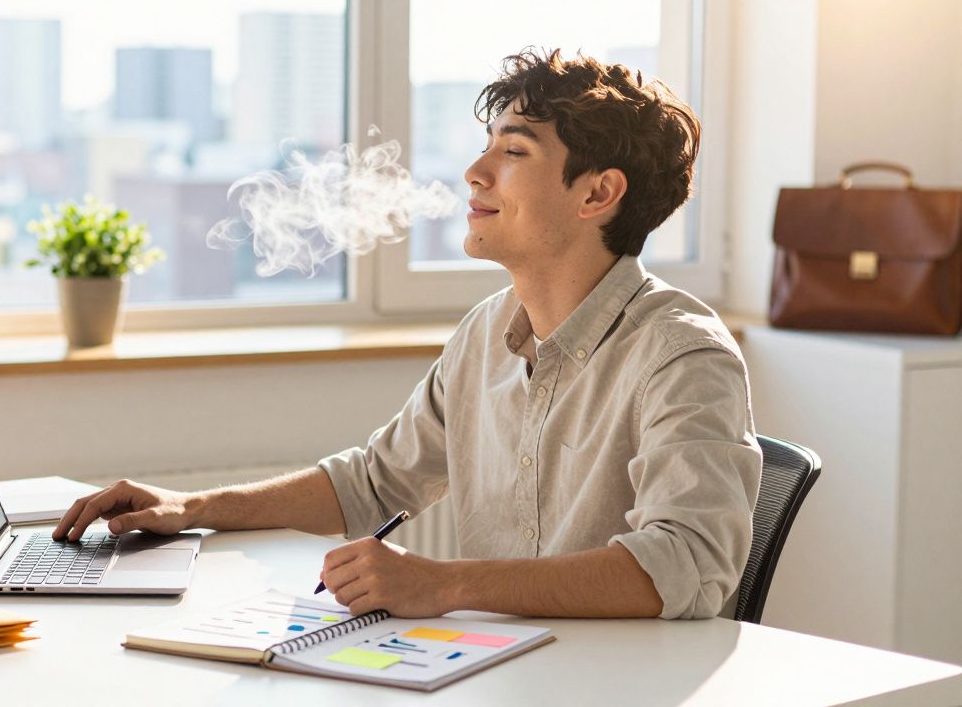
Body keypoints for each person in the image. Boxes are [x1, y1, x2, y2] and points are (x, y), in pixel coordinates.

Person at [53, 48, 761, 621]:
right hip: (505, 671)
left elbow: (686, 565)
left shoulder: (682, 354)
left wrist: (446, 585)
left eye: (513, 152)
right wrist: (189, 509)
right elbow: (372, 482)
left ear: (597, 194)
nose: (475, 172)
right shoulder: (487, 331)